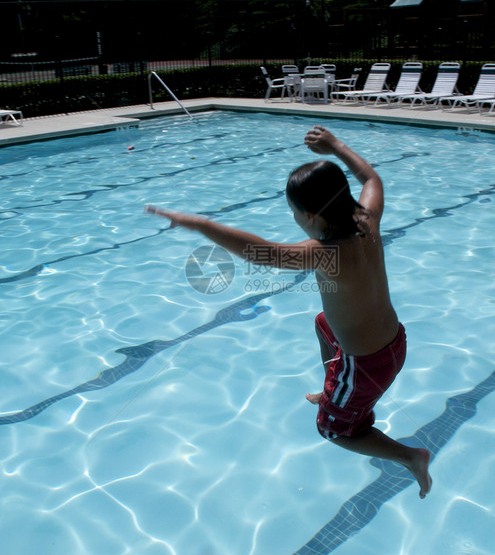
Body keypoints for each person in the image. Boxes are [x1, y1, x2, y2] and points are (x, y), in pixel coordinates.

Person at [146, 126, 431, 498]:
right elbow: (371, 177)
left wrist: (199, 224)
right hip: (394, 341)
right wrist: (335, 147)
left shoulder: (325, 252)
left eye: (294, 213)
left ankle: (411, 456)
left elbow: (260, 253)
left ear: (311, 216)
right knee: (323, 323)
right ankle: (335, 388)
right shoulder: (366, 219)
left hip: (366, 365)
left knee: (333, 430)